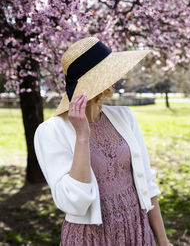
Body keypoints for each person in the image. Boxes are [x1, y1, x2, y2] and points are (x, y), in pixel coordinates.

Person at [34, 37, 170, 246]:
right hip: (91, 237)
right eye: (106, 72)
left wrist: (163, 241)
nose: (115, 76)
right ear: (90, 81)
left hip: (137, 229)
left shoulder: (125, 117)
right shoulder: (50, 132)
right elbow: (74, 203)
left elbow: (147, 186)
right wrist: (82, 137)